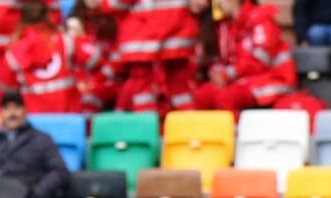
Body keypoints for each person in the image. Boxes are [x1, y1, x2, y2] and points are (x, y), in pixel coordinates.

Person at [180, 0, 315, 113]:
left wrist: (227, 74)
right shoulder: (226, 25)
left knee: (226, 97)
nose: (216, 3)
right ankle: (209, 140)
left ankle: (234, 137)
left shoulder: (260, 18)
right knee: (202, 96)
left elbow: (259, 60)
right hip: (241, 80)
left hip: (272, 79)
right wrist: (217, 73)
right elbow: (222, 58)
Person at [113, 0, 198, 111]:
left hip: (142, 35)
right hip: (177, 30)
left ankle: (147, 124)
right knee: (179, 84)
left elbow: (114, 5)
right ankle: (189, 121)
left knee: (142, 87)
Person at [5, 2, 80, 113]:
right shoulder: (63, 39)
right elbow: (86, 62)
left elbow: (9, 83)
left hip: (34, 113)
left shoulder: (14, 47)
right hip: (67, 111)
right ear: (47, 16)